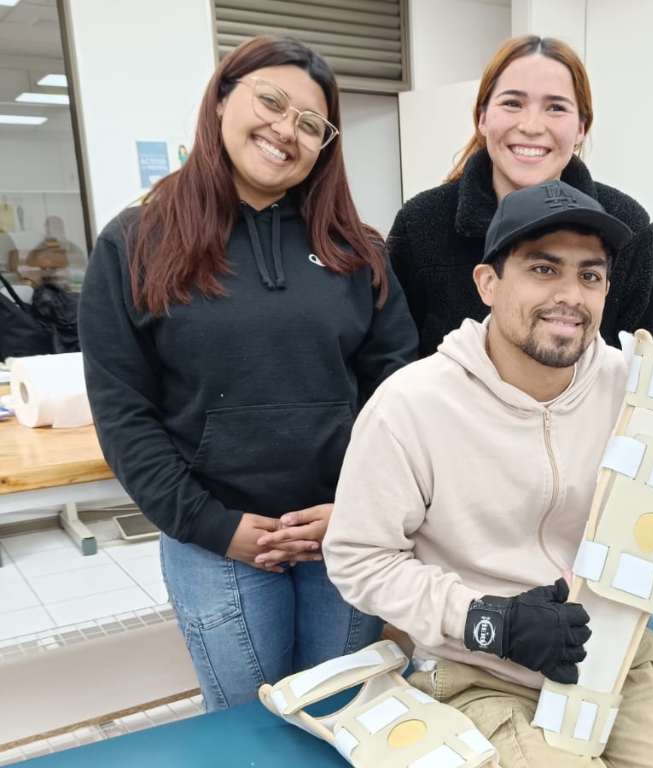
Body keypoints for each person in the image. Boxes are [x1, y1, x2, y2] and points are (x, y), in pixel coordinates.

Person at [323, 181, 653, 768]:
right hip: (479, 673)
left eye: (590, 275)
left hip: (615, 659)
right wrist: (487, 620)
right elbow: (359, 559)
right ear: (488, 283)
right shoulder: (412, 405)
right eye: (543, 269)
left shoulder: (636, 390)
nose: (570, 296)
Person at [78, 36, 418, 711]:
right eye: (270, 101)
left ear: (326, 145)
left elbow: (398, 394)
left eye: (311, 124)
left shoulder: (358, 250)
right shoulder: (135, 243)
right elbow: (124, 414)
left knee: (345, 714)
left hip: (340, 535)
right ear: (223, 96)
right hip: (214, 541)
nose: (285, 130)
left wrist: (356, 510)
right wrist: (214, 526)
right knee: (248, 728)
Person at [388, 35, 653, 358]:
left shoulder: (626, 225)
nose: (531, 126)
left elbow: (641, 367)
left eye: (556, 107)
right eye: (513, 103)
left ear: (581, 128)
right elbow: (395, 362)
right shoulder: (420, 224)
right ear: (483, 118)